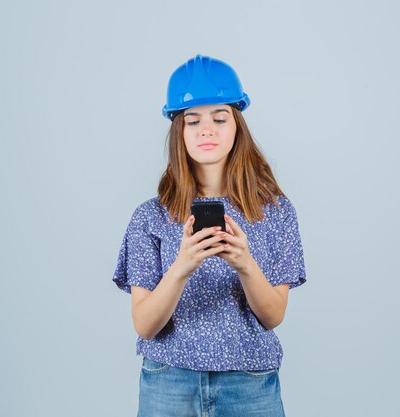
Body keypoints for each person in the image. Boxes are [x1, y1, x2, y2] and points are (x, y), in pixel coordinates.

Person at [112, 54, 307, 417]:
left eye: (220, 118)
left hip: (249, 383)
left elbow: (273, 316)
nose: (207, 129)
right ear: (178, 131)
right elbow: (145, 324)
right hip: (169, 383)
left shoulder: (276, 212)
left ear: (237, 127)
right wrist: (181, 267)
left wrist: (245, 265)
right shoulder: (149, 217)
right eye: (193, 120)